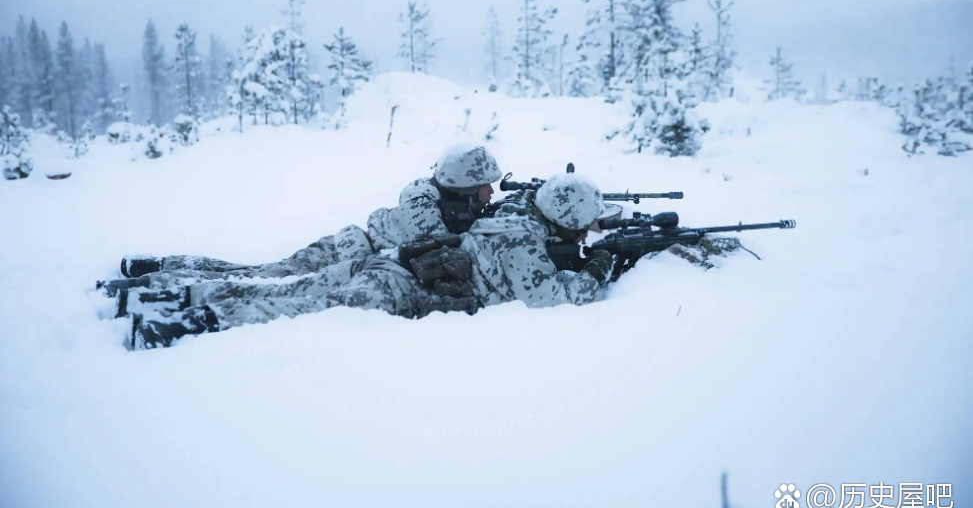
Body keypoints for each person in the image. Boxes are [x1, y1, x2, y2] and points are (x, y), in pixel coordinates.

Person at [131, 173, 614, 349]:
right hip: (398, 288)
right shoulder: (523, 241)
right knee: (290, 309)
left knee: (278, 287)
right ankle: (176, 323)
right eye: (586, 222)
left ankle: (166, 292)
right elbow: (552, 300)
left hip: (387, 263)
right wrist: (599, 265)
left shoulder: (512, 214)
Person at [103, 142, 503, 295]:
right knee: (258, 277)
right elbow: (438, 243)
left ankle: (156, 273)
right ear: (465, 185)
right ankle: (153, 275)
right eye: (485, 184)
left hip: (356, 258)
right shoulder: (423, 200)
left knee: (258, 276)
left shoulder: (455, 200)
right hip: (340, 254)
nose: (490, 192)